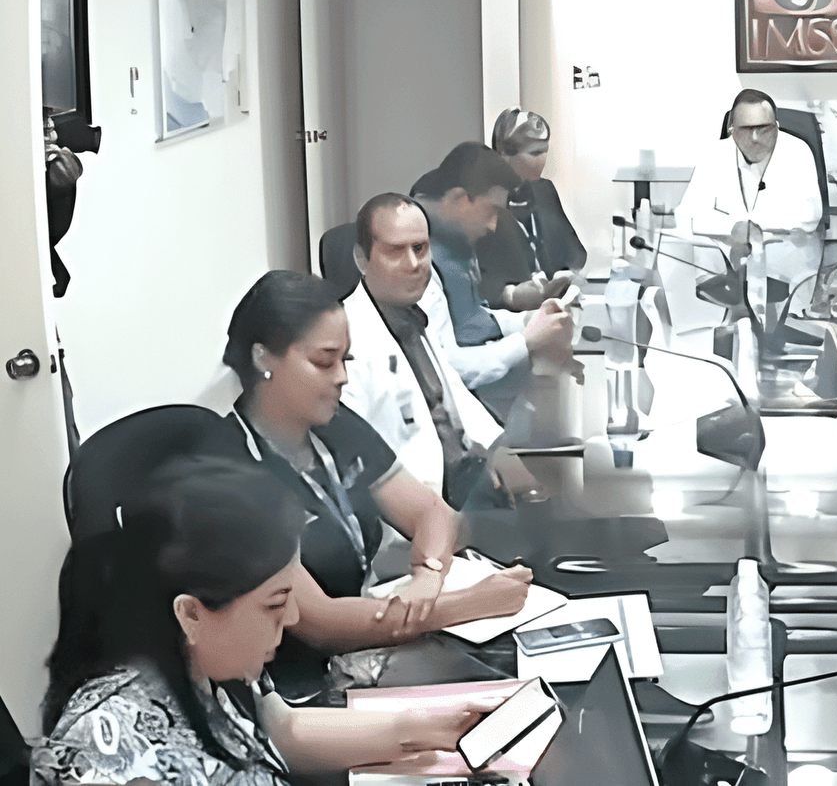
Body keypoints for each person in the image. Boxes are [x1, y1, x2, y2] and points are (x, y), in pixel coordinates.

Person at [33, 457, 486, 785]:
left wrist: (421, 730)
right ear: (191, 613)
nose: (293, 617)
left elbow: (280, 729)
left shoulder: (205, 661)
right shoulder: (107, 746)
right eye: (275, 603)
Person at [222, 270, 533, 701]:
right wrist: (466, 605)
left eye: (345, 360)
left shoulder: (331, 424)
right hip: (303, 691)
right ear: (263, 359)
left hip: (370, 650)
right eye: (324, 362)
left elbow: (431, 513)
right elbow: (319, 623)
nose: (342, 378)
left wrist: (428, 577)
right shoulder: (236, 468)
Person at [344, 192, 543, 508]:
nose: (413, 264)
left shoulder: (412, 315)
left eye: (420, 249)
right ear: (361, 258)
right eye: (395, 251)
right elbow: (362, 470)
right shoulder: (346, 343)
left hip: (467, 479)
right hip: (425, 507)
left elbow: (454, 394)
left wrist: (500, 449)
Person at [411, 141, 579, 419]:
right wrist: (525, 341)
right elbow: (448, 366)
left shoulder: (454, 241)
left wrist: (528, 320)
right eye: (490, 211)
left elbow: (471, 315)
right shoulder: (418, 261)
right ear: (457, 198)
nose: (492, 226)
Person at [674, 88, 823, 286]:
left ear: (776, 127)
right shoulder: (713, 155)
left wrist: (752, 228)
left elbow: (808, 215)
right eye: (745, 129)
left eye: (763, 129)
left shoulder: (798, 151)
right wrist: (733, 228)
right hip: (722, 274)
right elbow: (686, 216)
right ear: (732, 131)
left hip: (782, 270)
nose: (755, 138)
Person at [476, 107, 588, 309]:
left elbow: (575, 254)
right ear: (504, 156)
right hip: (508, 314)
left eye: (545, 150)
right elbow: (478, 281)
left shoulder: (544, 190)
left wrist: (563, 277)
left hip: (553, 304)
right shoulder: (480, 203)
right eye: (534, 153)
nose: (542, 159)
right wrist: (512, 295)